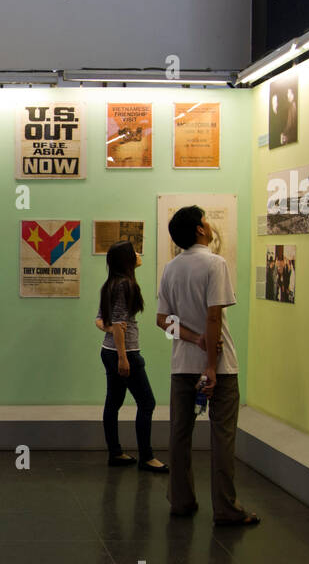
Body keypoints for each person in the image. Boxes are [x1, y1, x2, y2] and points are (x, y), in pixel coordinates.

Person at [155, 205, 259, 526]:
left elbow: (163, 321)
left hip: (181, 365)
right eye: (205, 221)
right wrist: (211, 365)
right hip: (220, 367)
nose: (209, 225)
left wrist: (192, 337)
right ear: (200, 230)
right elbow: (214, 315)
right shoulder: (215, 264)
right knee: (222, 436)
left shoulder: (171, 268)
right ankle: (226, 508)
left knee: (180, 433)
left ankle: (181, 500)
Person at [94, 242, 166, 472]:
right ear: (127, 260)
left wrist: (112, 330)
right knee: (147, 402)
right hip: (125, 353)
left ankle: (115, 453)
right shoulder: (125, 285)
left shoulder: (110, 285)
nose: (138, 254)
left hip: (108, 351)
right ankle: (147, 457)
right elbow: (116, 322)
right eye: (133, 251)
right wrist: (123, 358)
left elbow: (101, 321)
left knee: (113, 403)